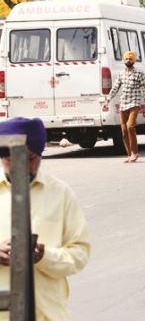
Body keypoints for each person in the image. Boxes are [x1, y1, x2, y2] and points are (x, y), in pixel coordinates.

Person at [0, 118, 91, 321]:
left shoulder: (60, 194)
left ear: (40, 155)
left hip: (48, 314)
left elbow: (80, 253)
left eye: (29, 158)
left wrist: (45, 256)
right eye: (12, 158)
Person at [107, 51, 145, 163]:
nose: (128, 61)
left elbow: (144, 89)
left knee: (130, 126)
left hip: (134, 103)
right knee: (124, 130)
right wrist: (107, 100)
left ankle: (135, 152)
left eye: (130, 59)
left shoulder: (139, 73)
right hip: (123, 104)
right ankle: (130, 154)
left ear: (134, 60)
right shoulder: (121, 74)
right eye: (126, 59)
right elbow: (115, 88)